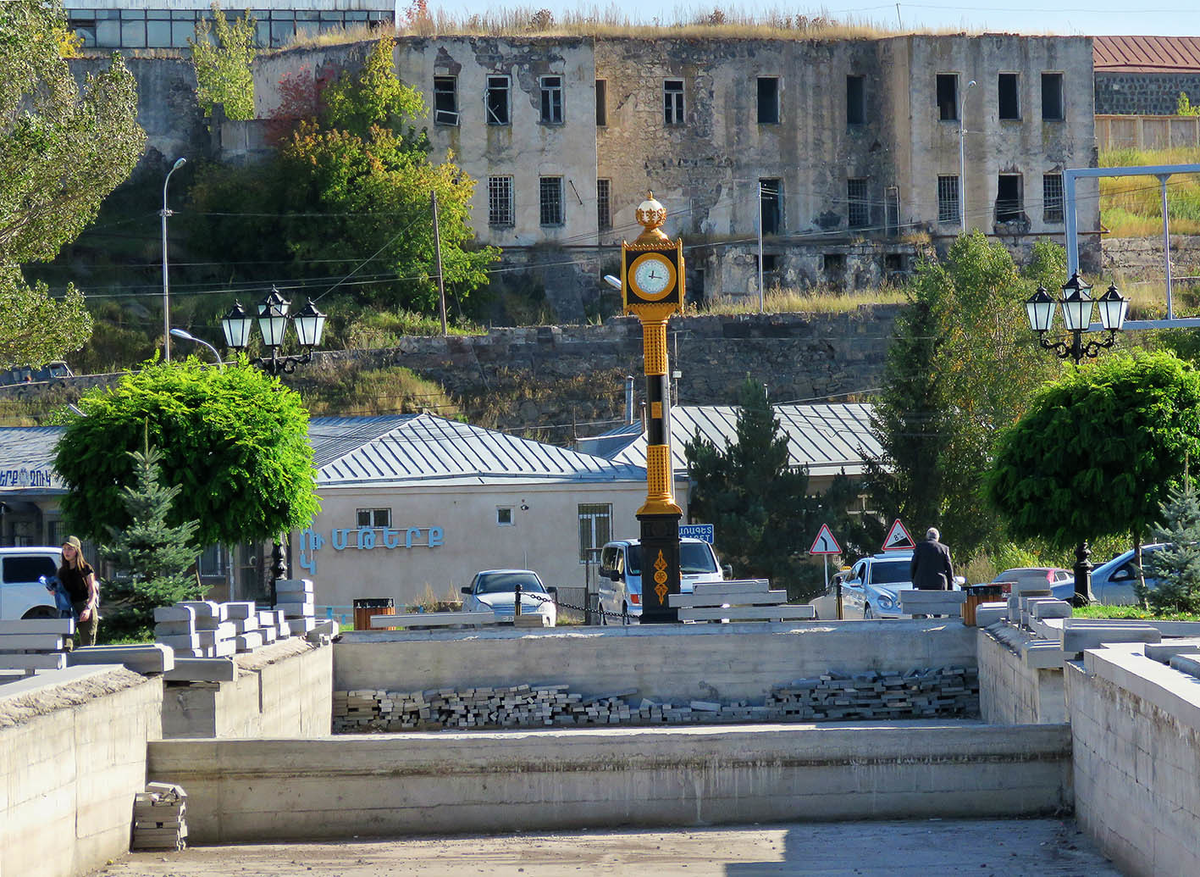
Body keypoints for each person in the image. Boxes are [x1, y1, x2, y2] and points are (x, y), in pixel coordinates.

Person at [58, 535, 99, 647]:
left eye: (70, 549)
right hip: (68, 609)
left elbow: (93, 592)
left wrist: (88, 609)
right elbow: (60, 592)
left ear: (77, 550)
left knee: (87, 645)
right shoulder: (61, 572)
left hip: (85, 606)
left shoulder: (86, 568)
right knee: (66, 645)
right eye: (64, 549)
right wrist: (52, 590)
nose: (66, 552)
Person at [910, 527, 954, 591]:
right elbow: (949, 569)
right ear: (938, 537)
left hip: (923, 583)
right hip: (939, 583)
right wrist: (950, 588)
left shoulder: (920, 547)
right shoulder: (944, 549)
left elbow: (913, 565)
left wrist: (914, 580)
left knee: (925, 600)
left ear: (927, 537)